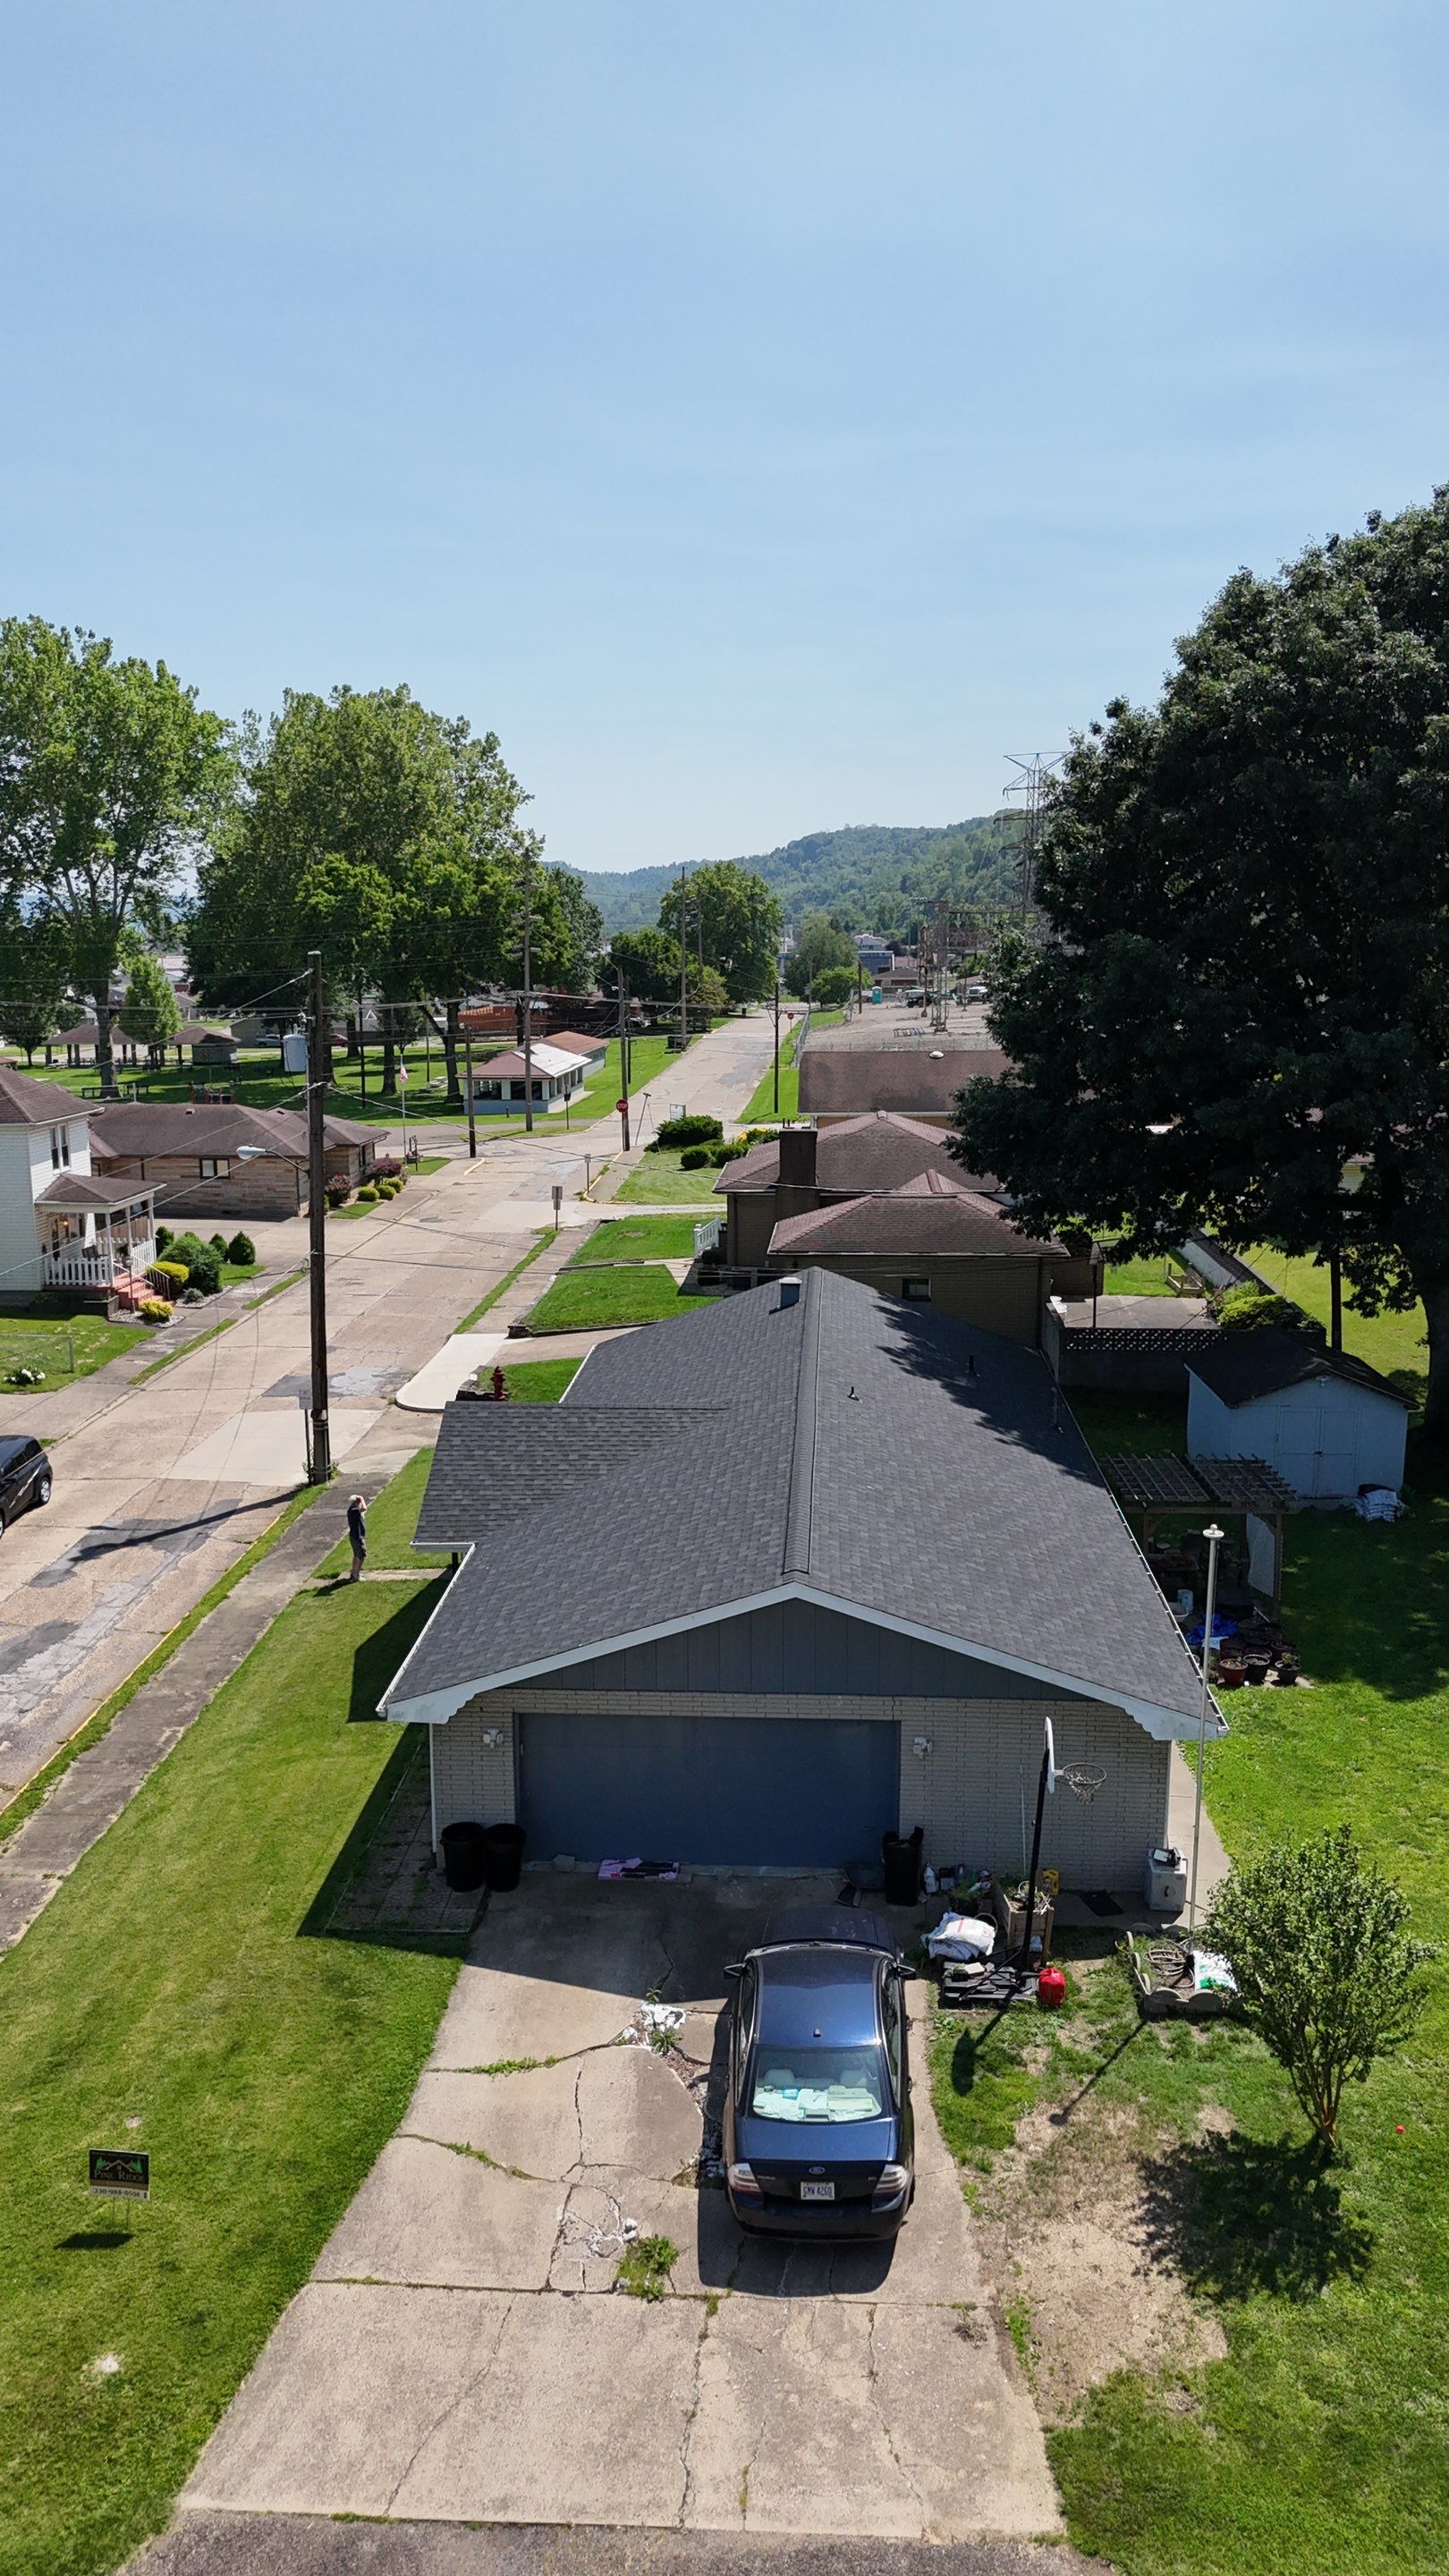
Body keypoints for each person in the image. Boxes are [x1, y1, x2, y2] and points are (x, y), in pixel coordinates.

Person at [346, 1492, 367, 1582]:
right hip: (357, 1537)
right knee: (361, 1556)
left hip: (354, 1536)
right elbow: (364, 1508)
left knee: (356, 1555)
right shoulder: (354, 1510)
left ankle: (354, 1572)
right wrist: (361, 1498)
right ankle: (356, 1576)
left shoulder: (351, 1510)